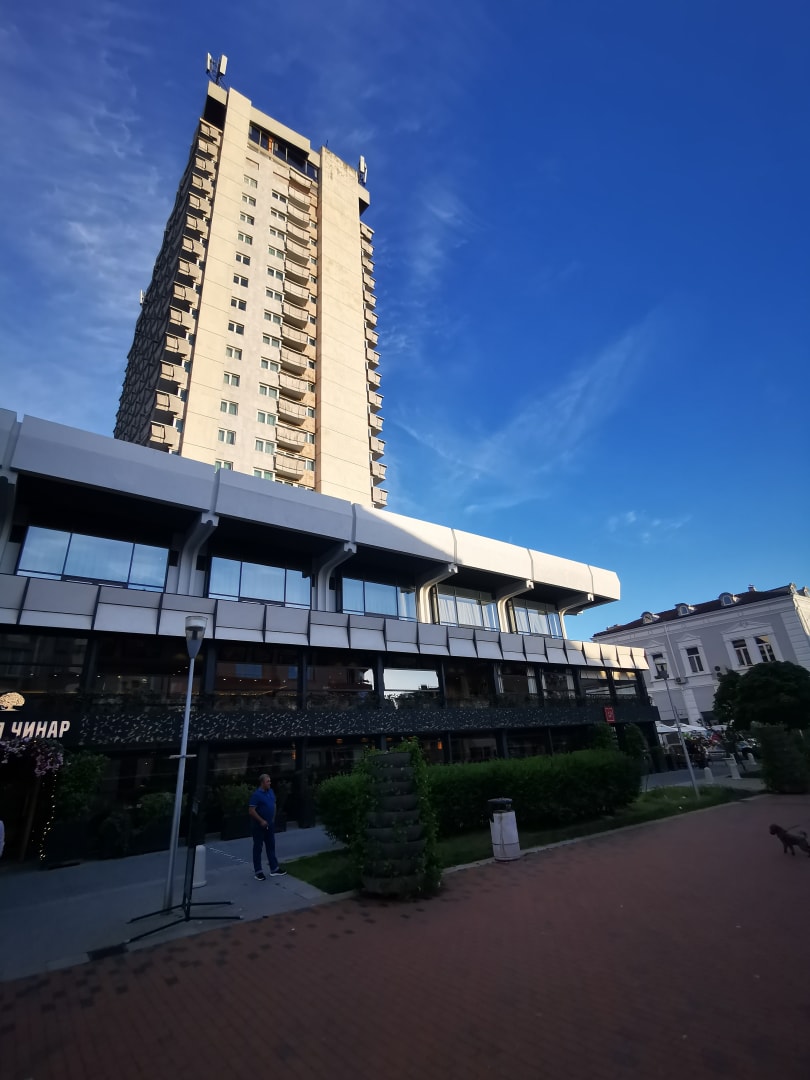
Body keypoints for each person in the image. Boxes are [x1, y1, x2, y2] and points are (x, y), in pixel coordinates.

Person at [248, 774, 286, 880]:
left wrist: (272, 818)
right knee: (258, 847)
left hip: (270, 824)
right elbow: (251, 811)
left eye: (270, 781)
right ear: (262, 783)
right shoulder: (256, 795)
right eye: (267, 781)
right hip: (258, 826)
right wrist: (261, 821)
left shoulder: (271, 791)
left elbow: (274, 804)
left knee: (271, 845)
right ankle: (258, 872)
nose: (270, 783)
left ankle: (274, 869)